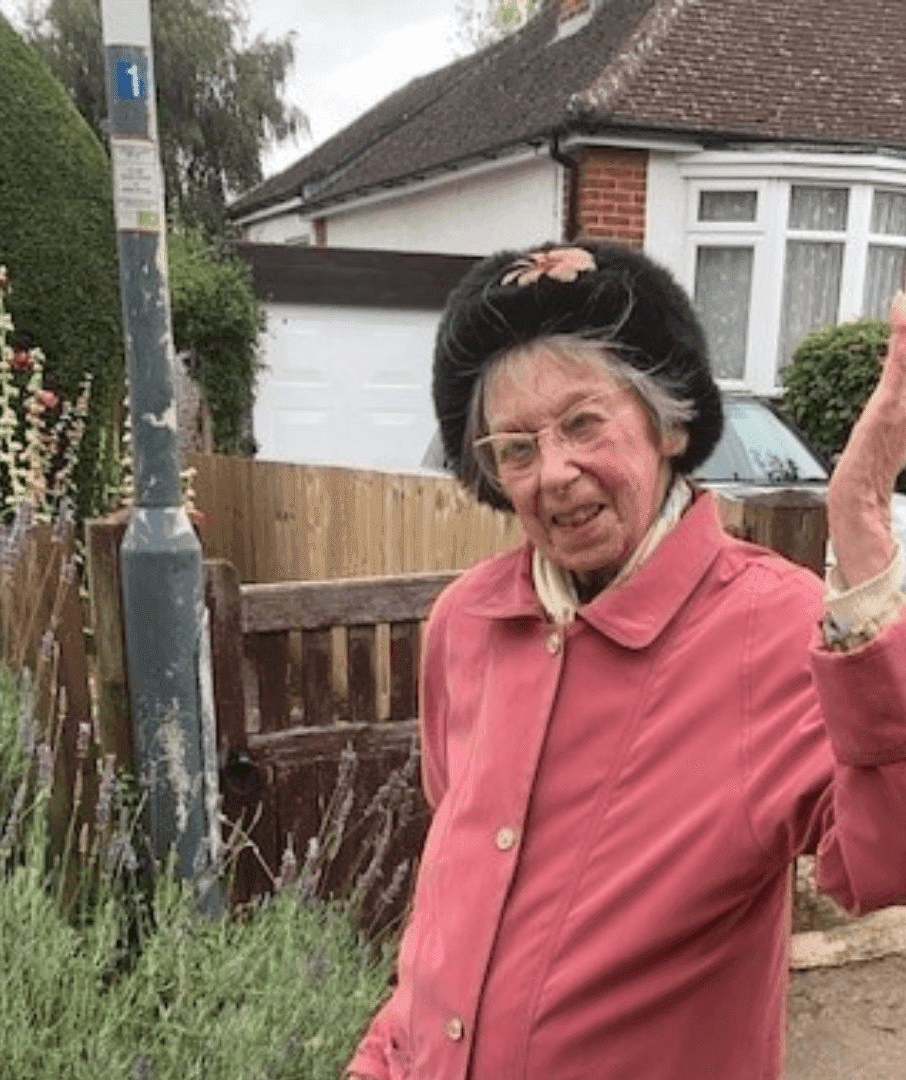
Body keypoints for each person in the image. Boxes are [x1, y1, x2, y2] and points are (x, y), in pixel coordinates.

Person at [344, 240, 906, 1080]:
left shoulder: (770, 628)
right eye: (517, 448)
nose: (555, 473)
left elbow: (888, 857)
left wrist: (860, 528)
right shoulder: (466, 625)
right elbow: (453, 913)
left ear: (667, 423)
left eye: (581, 423)